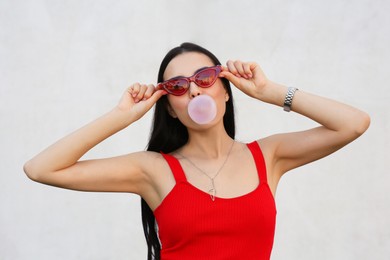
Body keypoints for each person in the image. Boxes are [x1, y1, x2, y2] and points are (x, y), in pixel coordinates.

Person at [24, 42, 370, 260]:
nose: (193, 91)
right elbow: (41, 169)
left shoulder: (269, 156)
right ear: (170, 107)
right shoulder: (154, 170)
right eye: (177, 86)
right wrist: (120, 117)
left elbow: (353, 123)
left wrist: (269, 90)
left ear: (226, 89)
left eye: (204, 77)